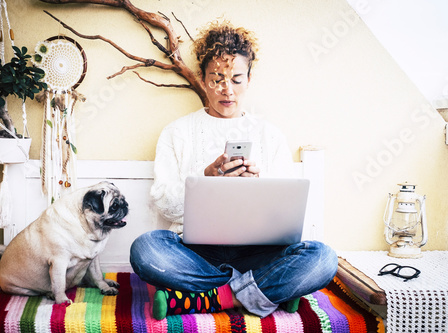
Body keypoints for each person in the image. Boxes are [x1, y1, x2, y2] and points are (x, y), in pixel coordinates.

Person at [130, 21, 338, 320]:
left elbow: (287, 218)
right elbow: (164, 203)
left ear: (249, 79)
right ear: (203, 80)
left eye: (237, 79)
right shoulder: (177, 132)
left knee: (323, 258)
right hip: (196, 253)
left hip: (258, 253)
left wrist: (258, 183)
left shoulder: (270, 135)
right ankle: (266, 292)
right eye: (217, 79)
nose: (227, 89)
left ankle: (207, 298)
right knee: (146, 250)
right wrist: (206, 180)